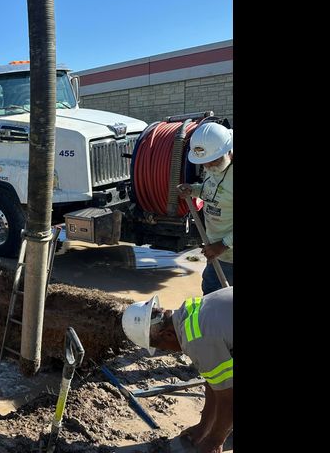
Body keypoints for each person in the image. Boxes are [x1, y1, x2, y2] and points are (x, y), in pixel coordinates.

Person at [122, 287, 233, 453]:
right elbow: (216, 381)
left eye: (161, 347)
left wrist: (214, 441)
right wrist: (204, 427)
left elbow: (228, 398)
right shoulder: (189, 309)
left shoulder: (196, 339)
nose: (168, 351)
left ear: (167, 335)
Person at [177, 122, 233, 295]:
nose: (208, 167)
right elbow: (211, 191)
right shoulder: (215, 166)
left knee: (222, 300)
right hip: (215, 250)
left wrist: (223, 245)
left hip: (228, 255)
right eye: (205, 163)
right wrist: (193, 190)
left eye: (213, 161)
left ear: (227, 151)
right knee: (210, 293)